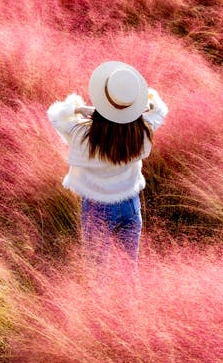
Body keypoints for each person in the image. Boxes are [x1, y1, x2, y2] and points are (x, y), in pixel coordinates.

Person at [47, 61, 168, 266]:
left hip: (97, 205)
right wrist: (140, 107)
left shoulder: (83, 134)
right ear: (132, 106)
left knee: (98, 274)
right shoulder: (142, 131)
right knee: (129, 271)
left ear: (102, 102)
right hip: (130, 202)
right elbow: (159, 109)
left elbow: (56, 115)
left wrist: (80, 108)